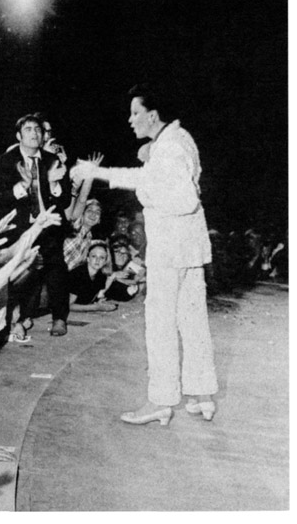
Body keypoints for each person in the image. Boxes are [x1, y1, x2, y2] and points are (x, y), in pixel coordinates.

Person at [72, 84, 218, 424]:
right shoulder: (178, 140)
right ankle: (202, 395)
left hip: (170, 249)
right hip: (189, 249)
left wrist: (144, 193)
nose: (130, 119)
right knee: (192, 321)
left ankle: (161, 402)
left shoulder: (168, 148)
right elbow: (149, 176)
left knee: (161, 325)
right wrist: (109, 172)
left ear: (152, 115)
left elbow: (183, 200)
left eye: (135, 112)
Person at [0, 114, 68, 336]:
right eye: (28, 130)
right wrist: (26, 185)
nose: (34, 133)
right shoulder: (6, 160)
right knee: (17, 272)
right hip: (18, 227)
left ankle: (59, 319)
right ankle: (14, 319)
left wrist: (54, 182)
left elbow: (63, 201)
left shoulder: (52, 160)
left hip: (46, 223)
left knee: (56, 267)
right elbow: (1, 195)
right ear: (19, 135)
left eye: (37, 130)